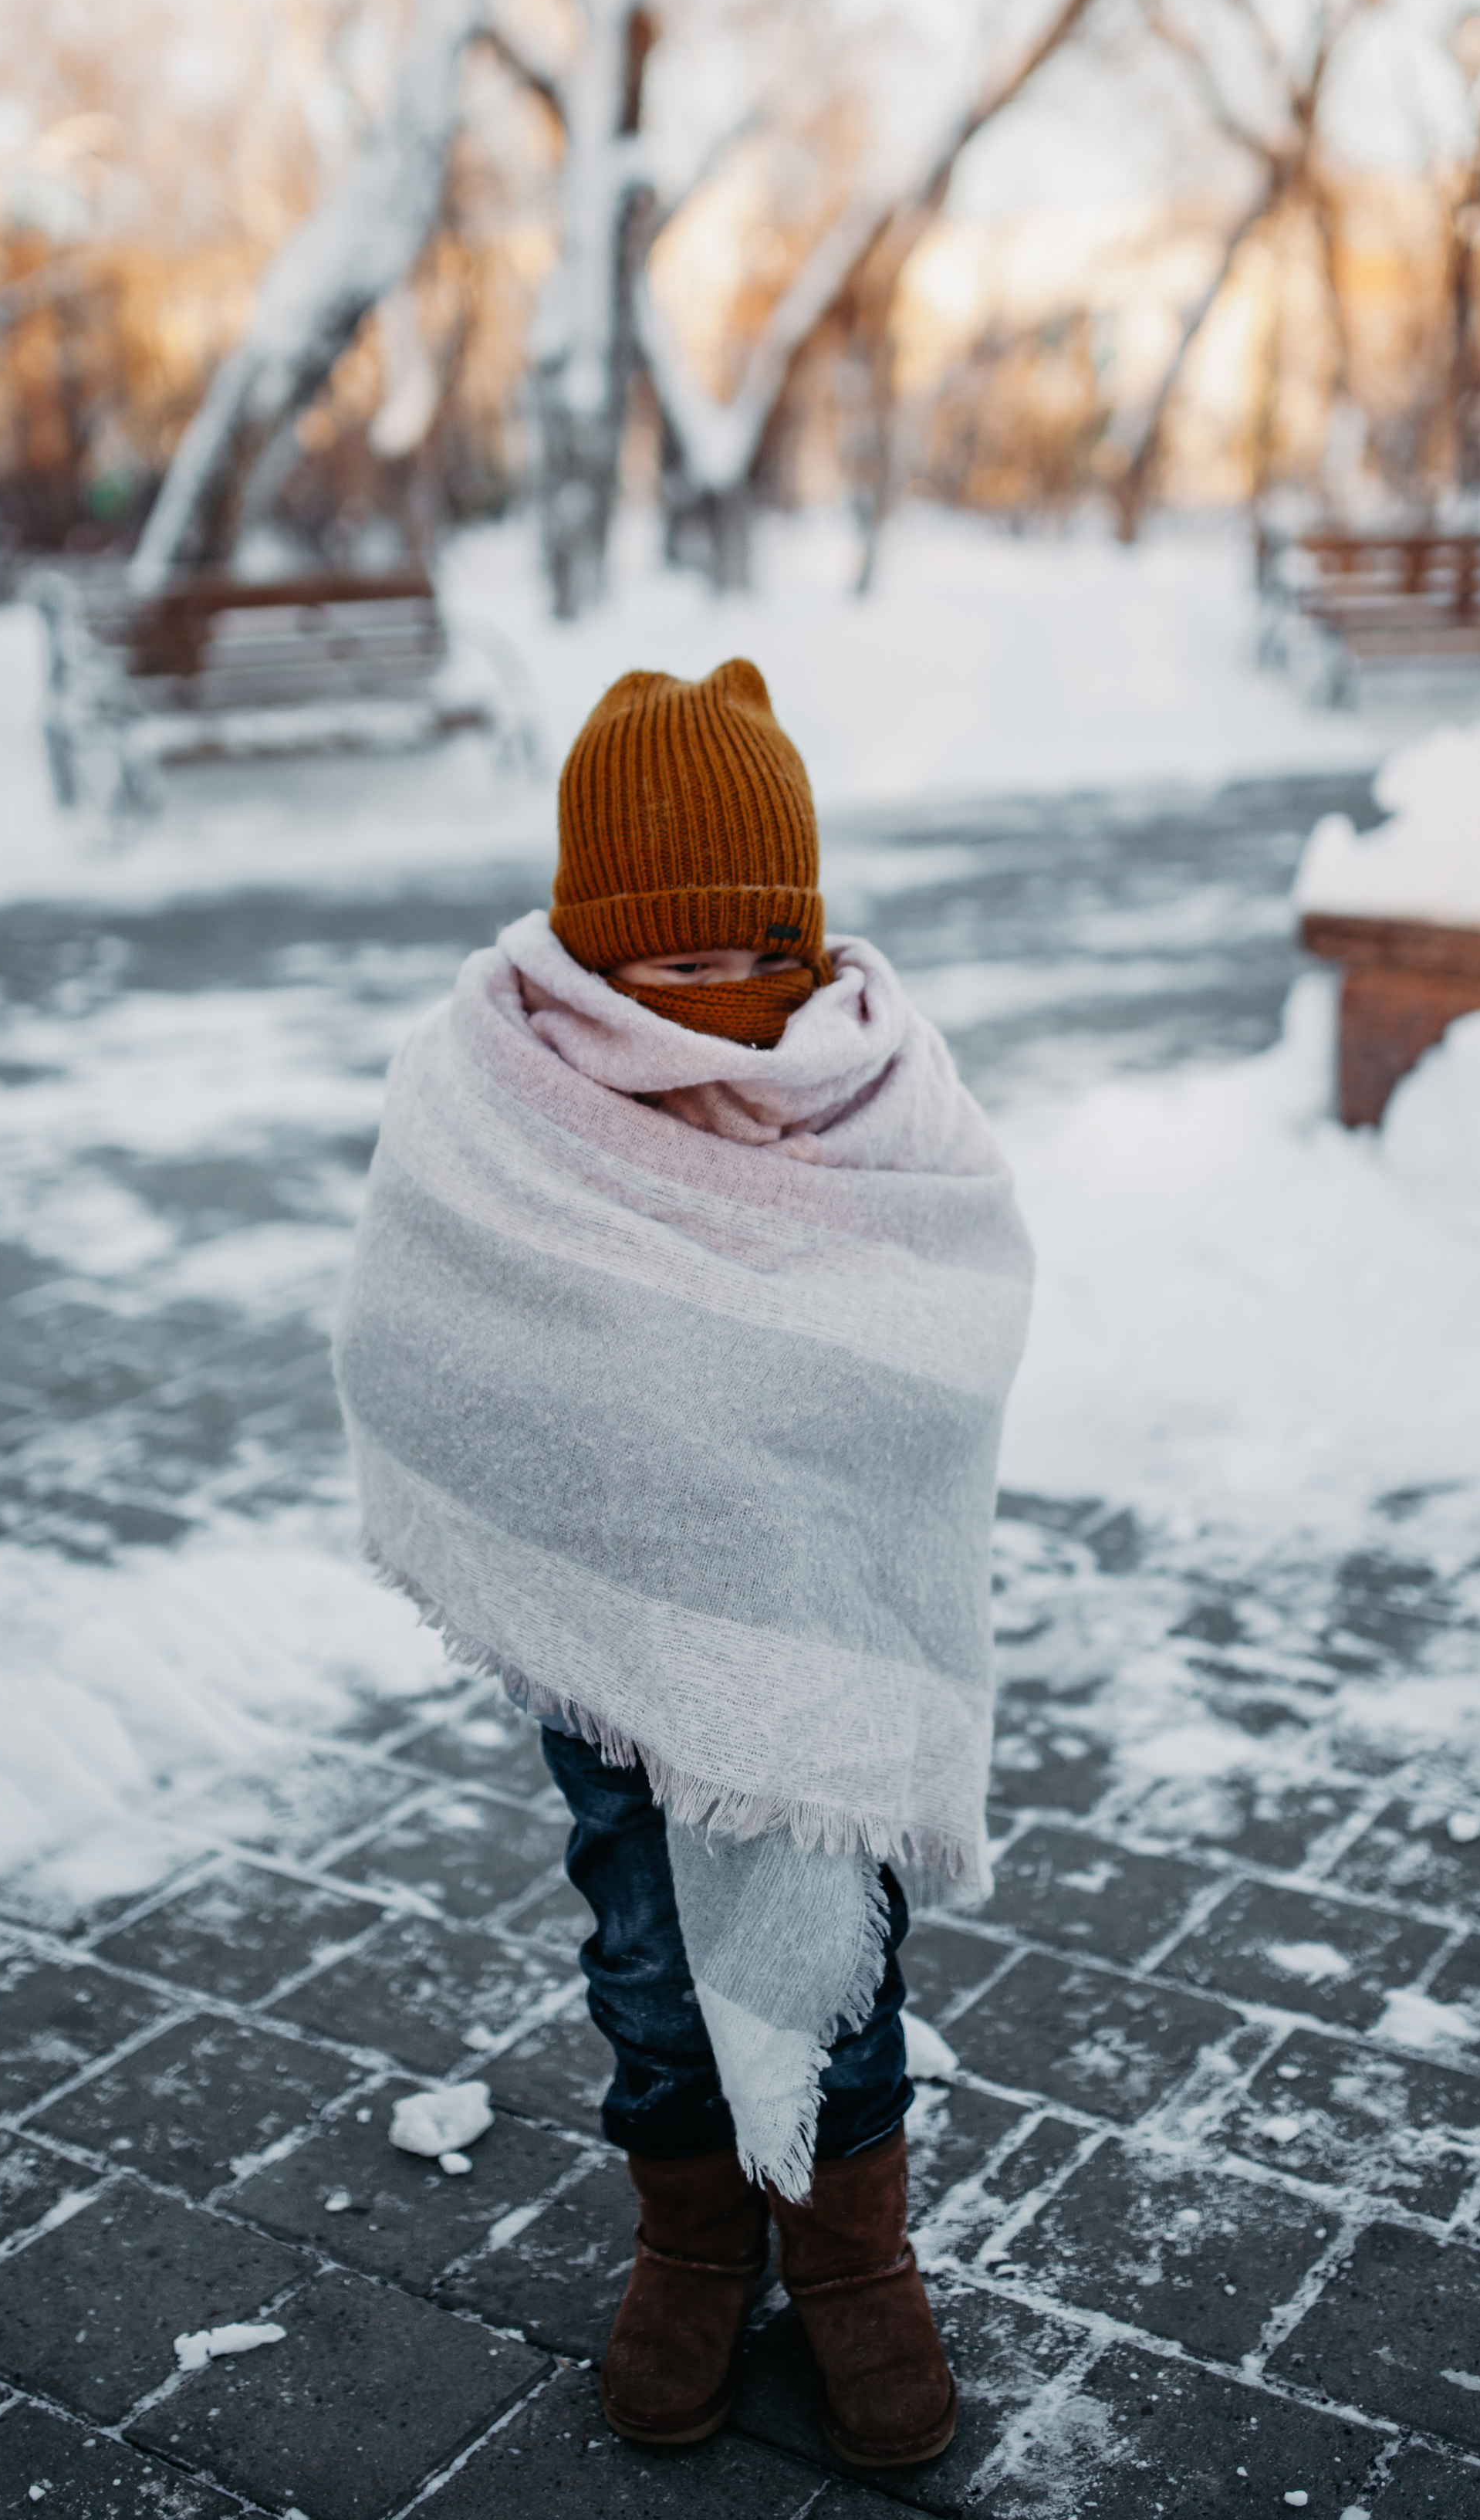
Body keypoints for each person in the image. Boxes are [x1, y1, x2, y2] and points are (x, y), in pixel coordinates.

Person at [335, 658, 1032, 2471]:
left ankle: (849, 2246)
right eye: (674, 969)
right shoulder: (500, 1094)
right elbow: (421, 1336)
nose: (723, 1009)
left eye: (755, 959)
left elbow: (942, 1335)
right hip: (606, 1624)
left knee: (842, 1949)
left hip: (821, 1627)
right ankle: (694, 2228)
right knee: (644, 1948)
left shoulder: (881, 1096)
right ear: (589, 951)